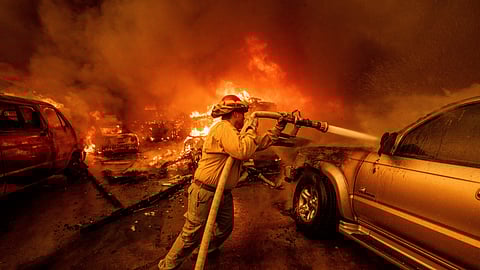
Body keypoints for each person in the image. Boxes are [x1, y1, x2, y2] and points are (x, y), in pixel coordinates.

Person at [158, 95, 287, 269]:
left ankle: (205, 249)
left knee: (225, 227)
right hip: (205, 192)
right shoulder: (222, 128)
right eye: (242, 114)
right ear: (235, 114)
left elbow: (259, 143)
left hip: (222, 193)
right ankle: (166, 266)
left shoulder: (235, 133)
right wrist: (250, 128)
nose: (245, 118)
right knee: (191, 235)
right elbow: (243, 151)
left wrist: (278, 128)